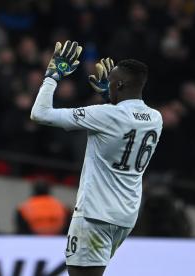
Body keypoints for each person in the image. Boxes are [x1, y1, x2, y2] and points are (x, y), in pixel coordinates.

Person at [30, 41, 162, 276]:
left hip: (95, 215)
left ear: (120, 84)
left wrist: (52, 75)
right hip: (125, 215)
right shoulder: (155, 118)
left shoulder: (104, 114)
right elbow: (122, 122)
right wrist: (111, 97)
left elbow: (40, 114)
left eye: (110, 81)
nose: (105, 83)